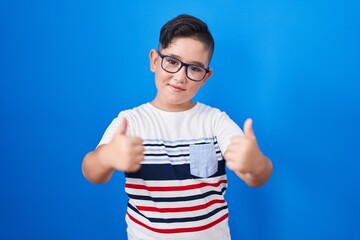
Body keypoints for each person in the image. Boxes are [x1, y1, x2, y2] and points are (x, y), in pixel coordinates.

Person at [82, 14, 273, 240]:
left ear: (206, 76)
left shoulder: (215, 121)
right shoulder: (130, 121)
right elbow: (92, 171)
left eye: (194, 68)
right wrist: (107, 157)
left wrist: (256, 163)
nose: (180, 77)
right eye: (172, 62)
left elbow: (256, 177)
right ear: (154, 60)